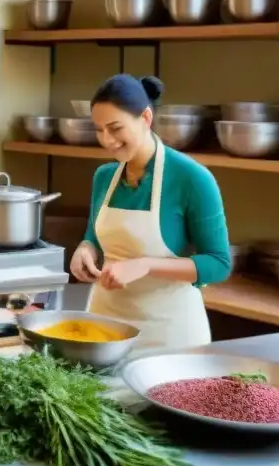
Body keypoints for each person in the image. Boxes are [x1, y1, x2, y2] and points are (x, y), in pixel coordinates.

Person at [69, 74, 232, 350]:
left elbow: (218, 265)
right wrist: (85, 248)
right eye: (98, 129)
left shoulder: (192, 178)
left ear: (145, 117)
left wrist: (145, 265)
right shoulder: (104, 176)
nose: (107, 140)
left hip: (169, 338)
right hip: (106, 328)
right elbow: (94, 235)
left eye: (115, 128)